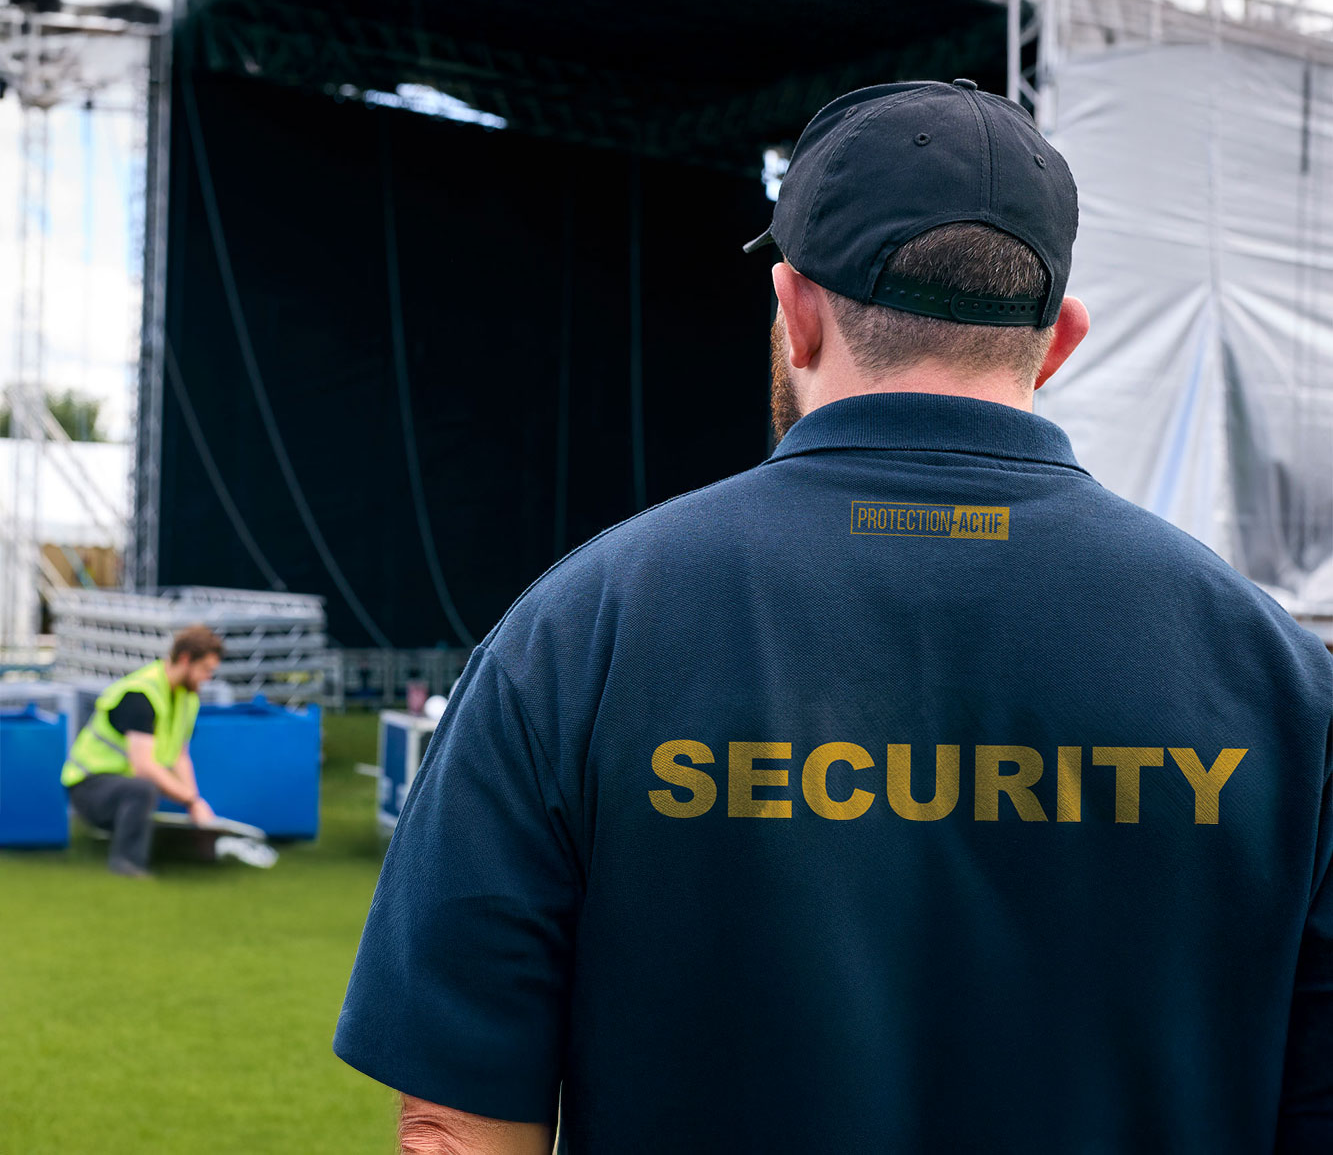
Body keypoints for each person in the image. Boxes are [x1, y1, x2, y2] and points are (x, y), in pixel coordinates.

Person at [334, 80, 1333, 1153]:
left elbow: (455, 1121)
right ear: (1057, 340)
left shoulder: (575, 635)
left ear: (794, 308)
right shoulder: (1278, 678)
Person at [63, 624, 223, 877]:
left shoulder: (186, 698)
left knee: (146, 791)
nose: (208, 677)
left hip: (121, 785)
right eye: (205, 669)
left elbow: (180, 756)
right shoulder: (140, 694)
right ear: (184, 659)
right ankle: (126, 863)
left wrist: (194, 803)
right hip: (88, 786)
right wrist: (190, 800)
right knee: (143, 788)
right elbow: (144, 767)